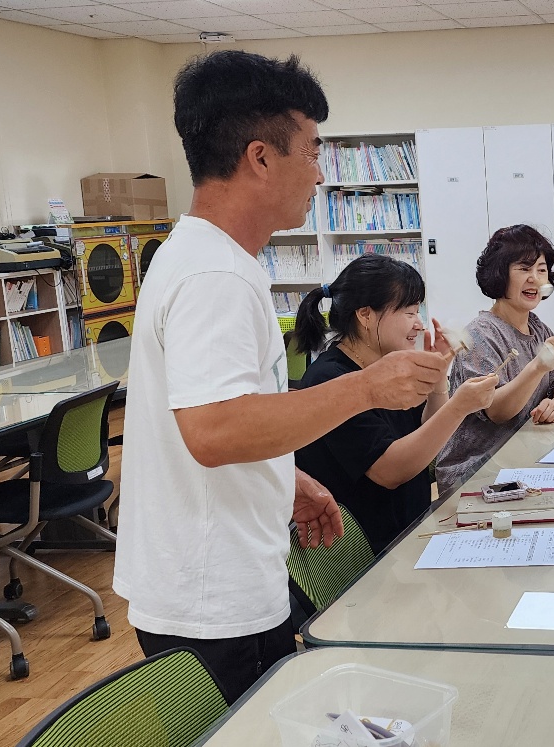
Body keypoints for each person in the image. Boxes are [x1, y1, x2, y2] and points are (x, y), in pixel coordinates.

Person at [112, 51, 449, 704]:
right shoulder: (215, 275)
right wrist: (368, 388)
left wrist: (286, 478)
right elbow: (214, 430)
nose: (320, 173)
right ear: (261, 158)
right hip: (214, 597)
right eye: (313, 151)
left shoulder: (203, 256)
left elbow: (203, 414)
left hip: (213, 578)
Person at [291, 255, 499, 554]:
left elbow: (424, 436)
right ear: (365, 315)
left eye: (418, 311)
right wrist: (459, 407)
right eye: (409, 312)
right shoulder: (330, 379)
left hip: (409, 530)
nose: (419, 324)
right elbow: (390, 471)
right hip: (368, 549)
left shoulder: (388, 367)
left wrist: (438, 382)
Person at [435, 225, 554, 495]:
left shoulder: (537, 327)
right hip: (478, 472)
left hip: (525, 459)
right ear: (500, 274)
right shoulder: (480, 335)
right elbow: (497, 412)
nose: (535, 279)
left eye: (541, 270)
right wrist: (537, 367)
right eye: (524, 269)